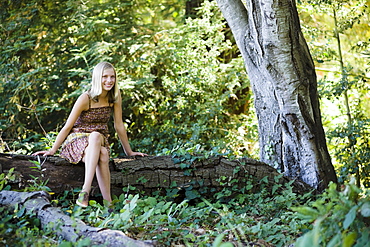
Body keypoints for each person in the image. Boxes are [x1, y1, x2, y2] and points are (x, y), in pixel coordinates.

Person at [33, 62, 147, 207]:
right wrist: (53, 150)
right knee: (96, 140)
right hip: (77, 139)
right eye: (104, 77)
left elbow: (118, 125)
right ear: (97, 78)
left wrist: (129, 152)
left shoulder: (114, 97)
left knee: (103, 151)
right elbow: (68, 126)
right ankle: (86, 191)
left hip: (99, 140)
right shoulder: (86, 98)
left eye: (112, 77)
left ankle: (108, 205)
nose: (109, 80)